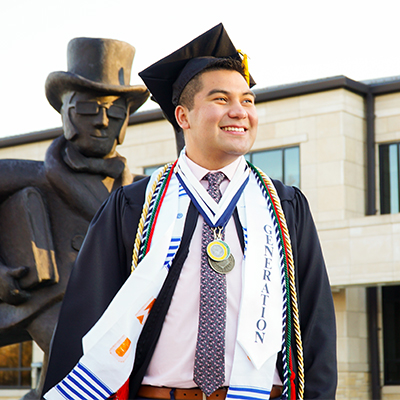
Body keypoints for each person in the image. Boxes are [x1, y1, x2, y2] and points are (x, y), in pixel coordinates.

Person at [42, 24, 337, 400]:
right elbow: (87, 321)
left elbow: (314, 327)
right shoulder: (134, 206)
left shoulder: (285, 208)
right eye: (221, 99)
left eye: (248, 100)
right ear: (183, 116)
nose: (240, 112)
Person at [0, 37, 148, 399]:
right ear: (63, 111)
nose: (101, 122)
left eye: (114, 113)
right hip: (48, 304)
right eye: (86, 109)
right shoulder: (20, 174)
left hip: (124, 315)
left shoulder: (146, 191)